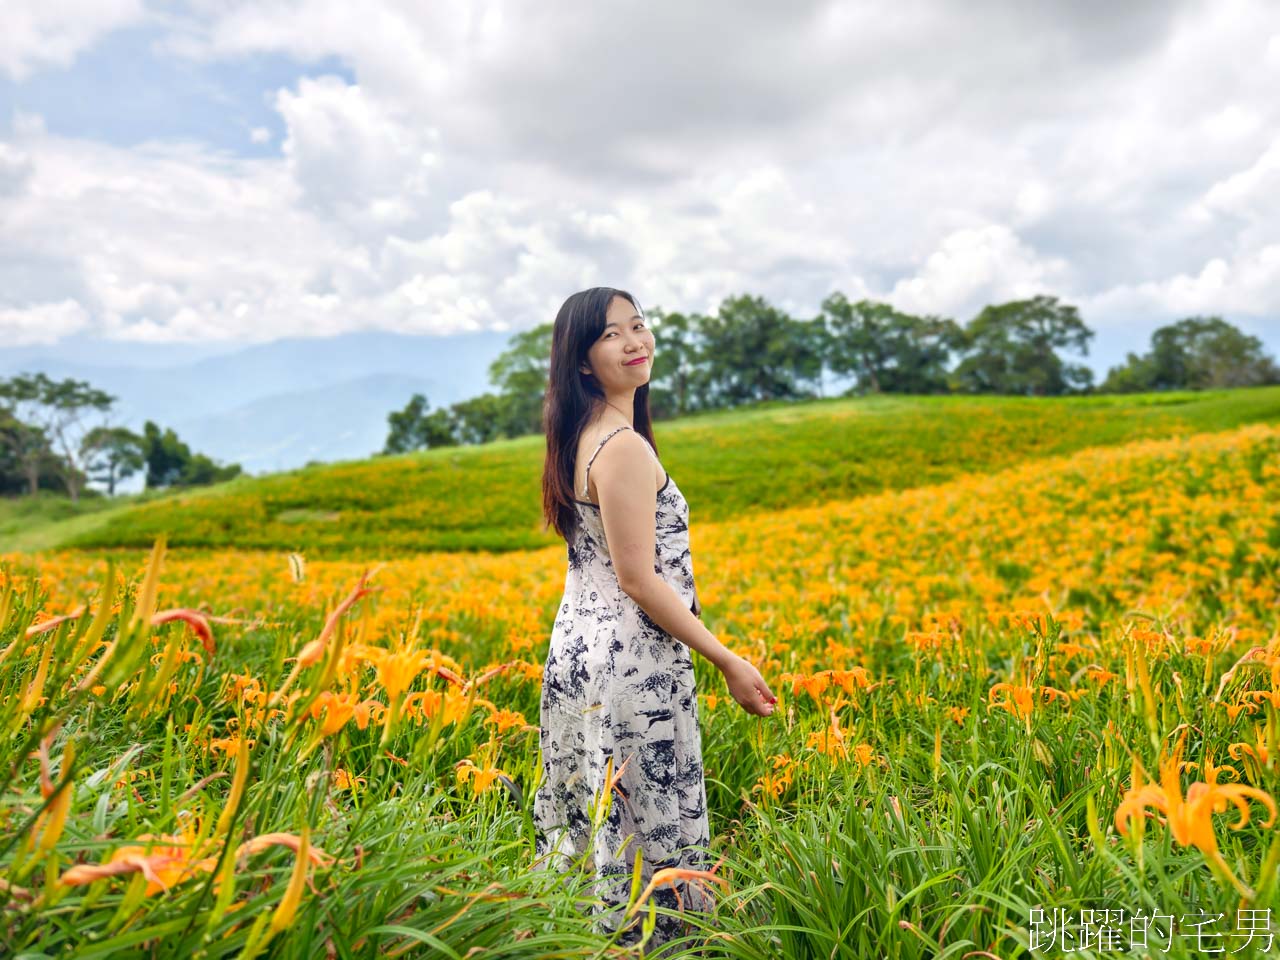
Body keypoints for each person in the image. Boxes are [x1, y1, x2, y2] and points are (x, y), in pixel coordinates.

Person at [532, 287, 777, 953]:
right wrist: (728, 658)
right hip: (633, 668)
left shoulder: (579, 438)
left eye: (639, 326)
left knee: (598, 824)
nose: (635, 341)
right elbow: (641, 580)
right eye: (613, 334)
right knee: (654, 831)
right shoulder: (623, 449)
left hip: (577, 657)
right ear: (583, 361)